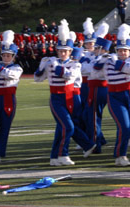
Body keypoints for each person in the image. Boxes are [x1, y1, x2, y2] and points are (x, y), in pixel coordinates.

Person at [34, 20, 94, 166]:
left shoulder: (75, 64)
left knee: (63, 127)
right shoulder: (50, 62)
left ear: (70, 52)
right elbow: (38, 78)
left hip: (70, 98)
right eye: (60, 51)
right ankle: (63, 154)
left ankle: (54, 157)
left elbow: (69, 76)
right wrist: (42, 66)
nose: (62, 53)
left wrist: (54, 65)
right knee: (68, 126)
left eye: (65, 51)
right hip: (56, 98)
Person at [104, 24, 130, 166]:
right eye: (120, 50)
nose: (123, 53)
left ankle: (121, 154)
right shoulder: (108, 61)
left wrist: (118, 65)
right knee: (124, 126)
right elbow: (104, 72)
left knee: (129, 128)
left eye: (125, 50)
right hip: (115, 97)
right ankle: (120, 155)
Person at [0, 31, 23, 163]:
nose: (6, 58)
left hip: (8, 100)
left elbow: (10, 75)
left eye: (8, 56)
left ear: (13, 56)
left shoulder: (17, 68)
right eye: (4, 55)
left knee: (4, 128)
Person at [82, 23, 111, 154]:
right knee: (91, 116)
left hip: (98, 88)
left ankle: (95, 144)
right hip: (96, 87)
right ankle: (98, 140)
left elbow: (88, 69)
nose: (93, 48)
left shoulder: (102, 58)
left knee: (93, 117)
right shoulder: (98, 57)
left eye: (96, 46)